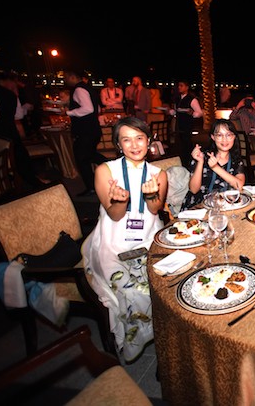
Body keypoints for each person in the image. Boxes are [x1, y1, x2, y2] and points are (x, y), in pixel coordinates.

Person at [82, 117, 168, 362]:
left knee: (168, 285)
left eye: (139, 138)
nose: (134, 145)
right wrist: (120, 201)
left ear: (148, 141)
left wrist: (151, 195)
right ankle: (136, 341)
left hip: (148, 240)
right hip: (113, 242)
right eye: (126, 140)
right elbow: (114, 215)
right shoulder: (105, 171)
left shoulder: (159, 174)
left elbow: (154, 209)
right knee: (133, 292)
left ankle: (165, 335)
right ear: (118, 145)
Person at [181, 119, 245, 211]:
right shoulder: (202, 156)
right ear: (213, 137)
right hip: (198, 208)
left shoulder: (236, 160)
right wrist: (200, 162)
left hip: (223, 207)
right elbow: (194, 189)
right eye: (219, 135)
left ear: (234, 137)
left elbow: (239, 185)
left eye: (228, 135)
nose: (224, 139)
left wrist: (215, 167)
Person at [64, 69, 106, 196]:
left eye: (66, 77)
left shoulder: (79, 89)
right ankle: (115, 168)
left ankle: (92, 187)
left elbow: (88, 109)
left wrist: (69, 112)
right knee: (90, 155)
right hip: (93, 130)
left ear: (72, 77)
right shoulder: (88, 88)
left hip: (85, 131)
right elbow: (97, 108)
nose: (65, 80)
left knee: (82, 159)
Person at [171, 80, 203, 168]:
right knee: (179, 146)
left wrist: (192, 113)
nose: (179, 87)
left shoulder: (192, 99)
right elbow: (176, 111)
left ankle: (189, 164)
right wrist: (172, 112)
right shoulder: (177, 99)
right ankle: (181, 164)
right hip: (179, 126)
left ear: (187, 87)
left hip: (188, 126)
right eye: (179, 86)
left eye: (181, 86)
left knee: (187, 146)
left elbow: (200, 113)